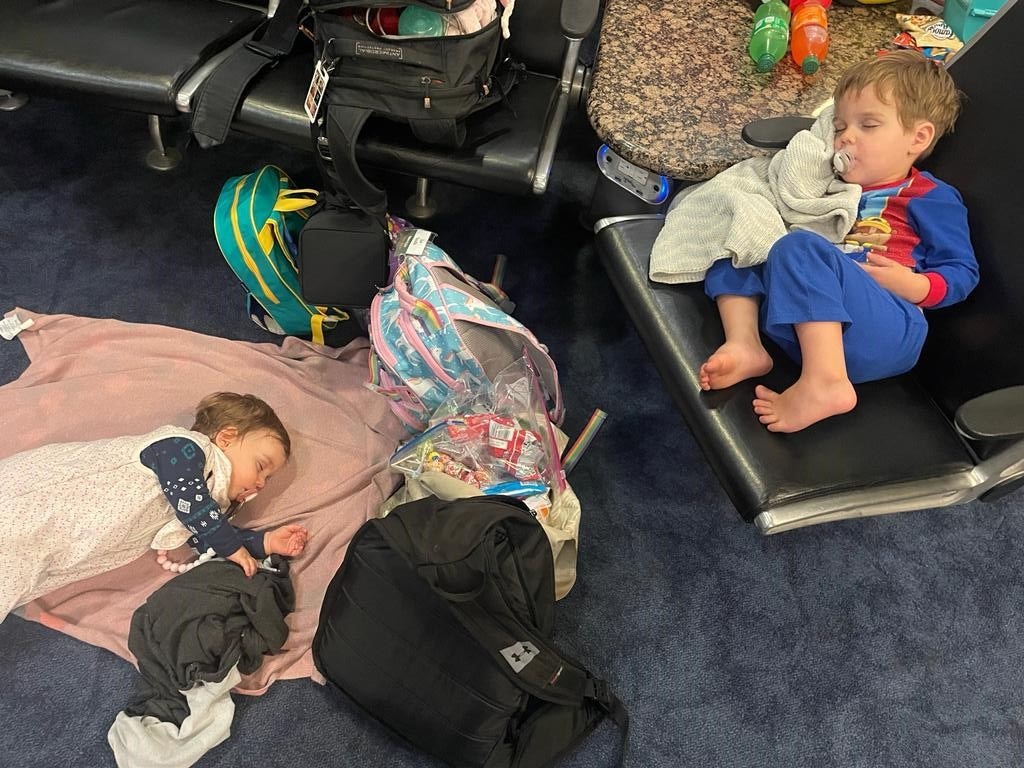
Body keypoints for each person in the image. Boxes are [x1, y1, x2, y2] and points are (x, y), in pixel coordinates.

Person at [697, 50, 979, 432]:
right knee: (742, 233)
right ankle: (745, 344)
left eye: (868, 125)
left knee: (798, 248)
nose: (846, 136)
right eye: (840, 125)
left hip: (887, 326)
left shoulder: (930, 197)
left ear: (918, 137)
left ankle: (826, 383)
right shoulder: (830, 186)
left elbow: (962, 271)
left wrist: (913, 285)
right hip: (802, 324)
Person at [0, 392, 308, 622]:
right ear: (226, 438)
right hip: (39, 505)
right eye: (260, 466)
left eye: (268, 478)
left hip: (57, 549)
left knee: (17, 577)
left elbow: (206, 539)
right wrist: (231, 545)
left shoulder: (206, 508)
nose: (261, 483)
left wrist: (264, 542)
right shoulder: (185, 448)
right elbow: (194, 504)